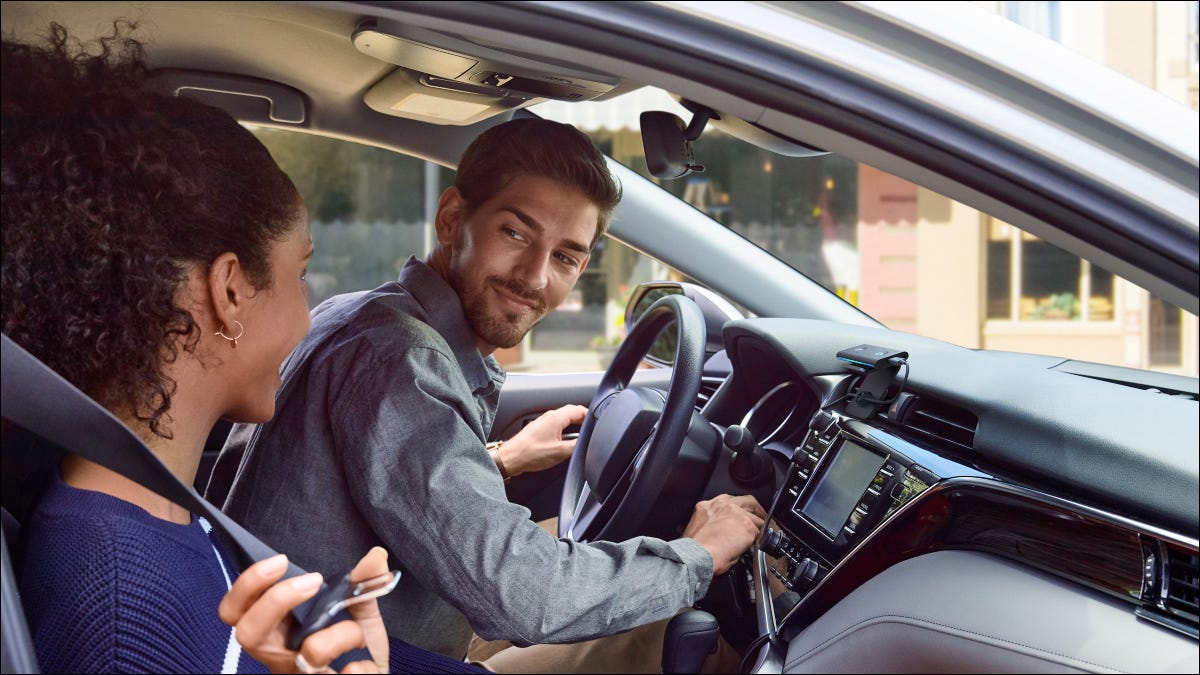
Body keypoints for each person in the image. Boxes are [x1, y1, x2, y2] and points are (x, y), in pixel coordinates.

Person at [210, 117, 767, 672]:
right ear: (453, 219)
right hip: (345, 655)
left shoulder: (361, 313)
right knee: (661, 634)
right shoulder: (402, 360)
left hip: (343, 626)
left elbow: (384, 485)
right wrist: (701, 554)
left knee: (571, 552)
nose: (534, 276)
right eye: (516, 234)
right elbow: (527, 599)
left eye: (565, 257)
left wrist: (499, 460)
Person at [0, 22, 406, 674]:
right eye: (301, 274)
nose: (308, 315)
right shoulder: (117, 616)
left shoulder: (155, 503)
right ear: (229, 291)